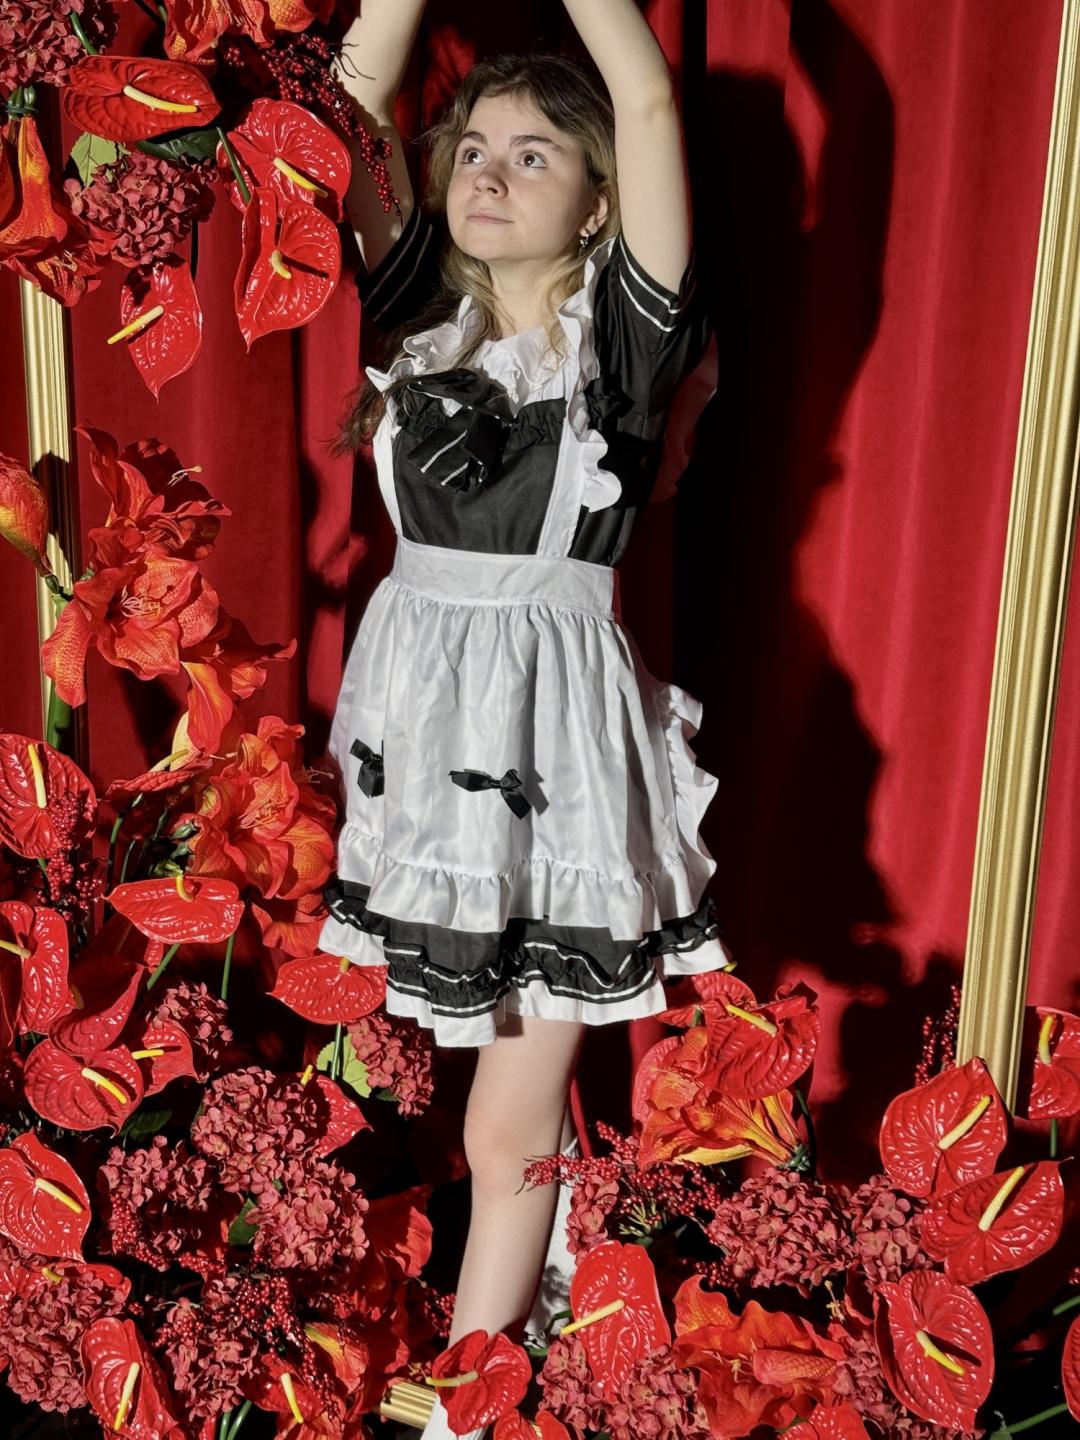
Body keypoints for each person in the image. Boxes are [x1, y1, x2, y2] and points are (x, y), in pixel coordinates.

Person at [323, 3, 728, 1434]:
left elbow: (650, 102)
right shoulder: (414, 314)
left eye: (535, 154)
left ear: (599, 200)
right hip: (430, 761)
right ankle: (537, 1326)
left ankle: (460, 1407)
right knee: (494, 1111)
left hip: (557, 774)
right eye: (473, 150)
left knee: (501, 1123)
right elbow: (347, 105)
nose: (488, 174)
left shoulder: (621, 348)